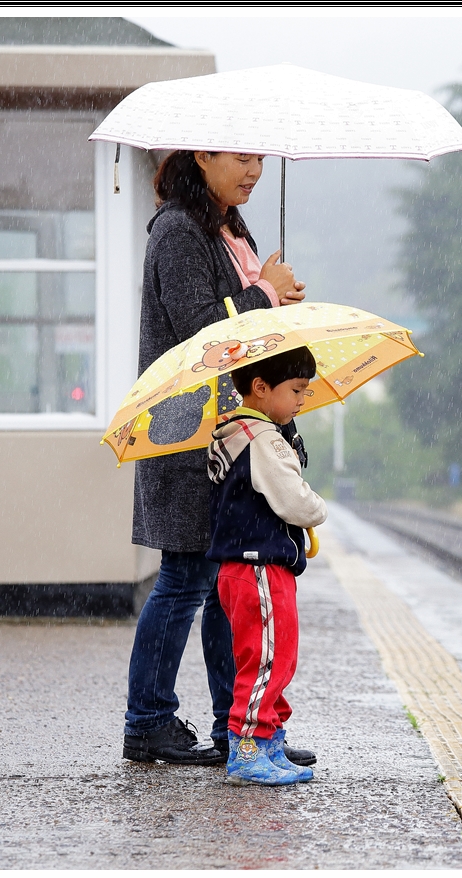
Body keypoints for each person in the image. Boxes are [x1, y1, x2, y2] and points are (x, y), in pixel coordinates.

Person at [123, 150, 316, 767]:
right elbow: (201, 333)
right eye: (241, 156)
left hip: (229, 436)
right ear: (202, 155)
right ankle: (147, 722)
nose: (254, 170)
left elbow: (246, 335)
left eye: (259, 157)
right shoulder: (178, 230)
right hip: (188, 435)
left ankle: (237, 728)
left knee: (221, 588)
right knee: (184, 579)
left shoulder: (229, 225)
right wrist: (264, 291)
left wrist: (275, 303)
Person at [206, 347, 327, 785]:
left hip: (241, 568)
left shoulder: (231, 434)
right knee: (266, 660)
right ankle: (248, 751)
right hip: (260, 568)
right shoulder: (264, 439)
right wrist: (318, 507)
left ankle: (269, 741)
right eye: (296, 390)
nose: (302, 400)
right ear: (260, 387)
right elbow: (296, 501)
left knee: (272, 656)